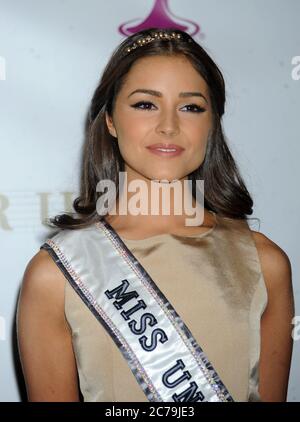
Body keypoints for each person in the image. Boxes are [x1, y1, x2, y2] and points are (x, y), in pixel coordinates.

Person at [16, 28, 294, 402]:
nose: (168, 126)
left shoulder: (265, 263)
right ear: (111, 119)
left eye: (191, 107)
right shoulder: (54, 276)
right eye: (145, 104)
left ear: (212, 123)